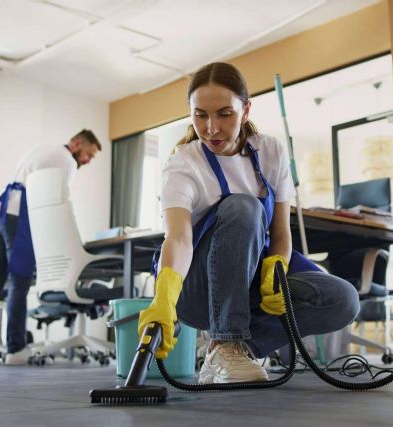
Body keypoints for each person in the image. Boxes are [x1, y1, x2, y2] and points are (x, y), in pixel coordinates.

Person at [138, 63, 360, 383]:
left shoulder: (269, 151)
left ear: (246, 110)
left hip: (250, 283)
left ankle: (234, 350)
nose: (212, 128)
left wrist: (278, 266)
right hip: (198, 290)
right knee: (244, 206)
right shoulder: (183, 164)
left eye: (224, 114)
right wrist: (164, 297)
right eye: (200, 115)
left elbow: (282, 233)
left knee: (342, 299)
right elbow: (179, 238)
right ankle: (227, 341)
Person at [0, 129, 101, 365]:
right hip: (18, 213)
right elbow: (57, 204)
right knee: (20, 280)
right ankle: (16, 349)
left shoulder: (43, 150)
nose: (87, 161)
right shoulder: (66, 161)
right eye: (88, 155)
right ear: (77, 144)